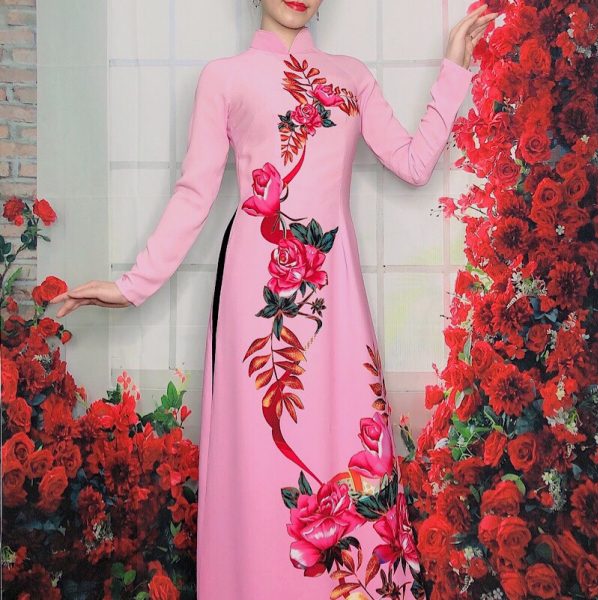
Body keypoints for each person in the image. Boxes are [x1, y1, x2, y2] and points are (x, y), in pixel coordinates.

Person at [50, 1, 498, 597]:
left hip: (334, 292)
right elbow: (195, 193)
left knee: (350, 434)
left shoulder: (351, 75)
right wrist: (133, 285)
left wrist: (454, 66)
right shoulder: (224, 77)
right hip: (257, 299)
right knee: (259, 453)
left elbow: (415, 164)